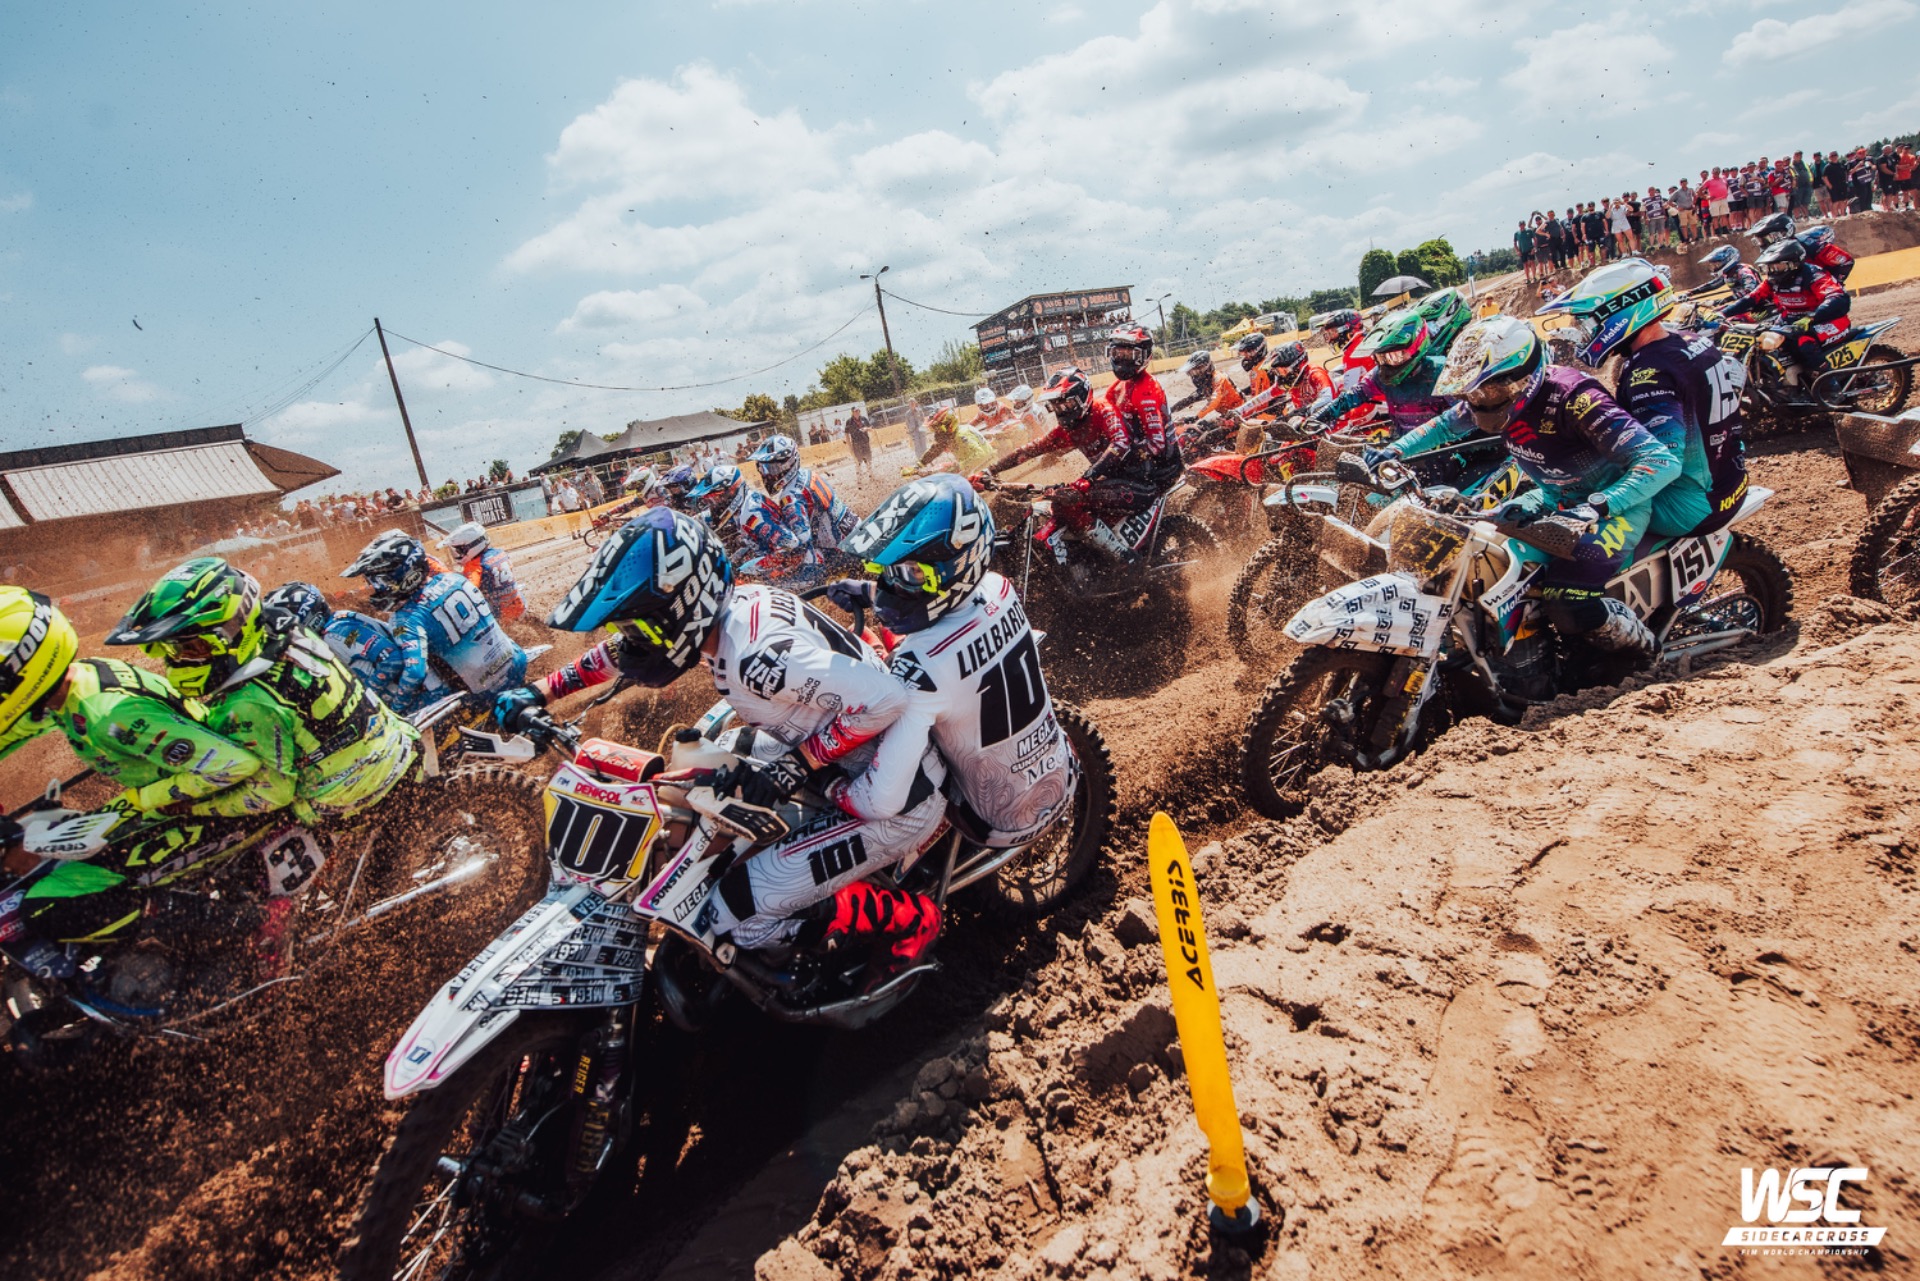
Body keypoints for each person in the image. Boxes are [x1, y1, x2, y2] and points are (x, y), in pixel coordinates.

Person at [492, 509, 947, 985]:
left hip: (895, 791)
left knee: (737, 916)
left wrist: (798, 763)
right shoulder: (728, 617)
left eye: (637, 630)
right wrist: (544, 691)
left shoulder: (753, 656)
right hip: (839, 761)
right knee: (704, 768)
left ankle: (909, 918)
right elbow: (623, 649)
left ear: (683, 608)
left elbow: (888, 699)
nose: (629, 643)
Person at [1382, 314, 1680, 659]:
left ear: (1525, 375)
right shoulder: (1491, 396)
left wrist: (1597, 506)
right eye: (1474, 391)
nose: (1480, 399)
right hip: (1552, 498)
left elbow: (1661, 461)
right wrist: (1393, 452)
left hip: (1614, 509)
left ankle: (1647, 653)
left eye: (1490, 389)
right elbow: (1446, 425)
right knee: (1478, 551)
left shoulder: (1576, 399)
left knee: (1566, 599)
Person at [1, 588, 287, 943]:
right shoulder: (78, 685)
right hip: (185, 803)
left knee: (51, 905)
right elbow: (19, 729)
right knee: (39, 845)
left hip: (220, 810)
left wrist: (140, 801)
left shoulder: (107, 716)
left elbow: (235, 765)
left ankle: (258, 925)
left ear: (21, 667)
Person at [828, 475, 1076, 853]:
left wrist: (826, 783)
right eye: (889, 571)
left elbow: (879, 801)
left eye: (911, 573)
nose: (892, 586)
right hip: (1065, 770)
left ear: (959, 565)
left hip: (990, 824)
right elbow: (946, 610)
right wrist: (868, 590)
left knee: (857, 757)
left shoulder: (917, 666)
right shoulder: (1000, 589)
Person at [108, 558, 419, 824]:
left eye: (190, 648)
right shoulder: (288, 630)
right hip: (396, 745)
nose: (177, 660)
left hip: (355, 799)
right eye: (170, 650)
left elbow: (271, 794)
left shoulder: (247, 704)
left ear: (230, 632)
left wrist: (192, 808)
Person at [1542, 259, 1749, 540]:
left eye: (1590, 321)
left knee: (1572, 489)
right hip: (1731, 480)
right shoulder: (1692, 341)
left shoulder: (1649, 373)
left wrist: (1594, 506)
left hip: (1691, 507)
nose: (1586, 331)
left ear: (1621, 312)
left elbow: (1663, 463)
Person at [972, 367, 1146, 574]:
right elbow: (1031, 449)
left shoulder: (1103, 410)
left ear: (1082, 396)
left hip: (1134, 479)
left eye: (1065, 403)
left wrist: (1087, 479)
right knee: (1051, 506)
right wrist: (989, 471)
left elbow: (1120, 444)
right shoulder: (1069, 429)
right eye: (1055, 404)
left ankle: (1125, 558)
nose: (1060, 409)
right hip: (1104, 482)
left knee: (1066, 504)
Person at [341, 530, 528, 703]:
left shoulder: (405, 619)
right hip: (516, 661)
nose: (373, 588)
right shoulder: (455, 578)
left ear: (395, 578)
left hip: (482, 691)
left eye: (373, 582)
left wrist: (396, 709)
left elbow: (415, 673)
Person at [1722, 237, 1853, 387]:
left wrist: (1811, 317)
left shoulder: (1813, 275)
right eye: (1768, 267)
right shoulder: (1772, 281)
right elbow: (1751, 298)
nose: (1772, 271)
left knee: (1804, 344)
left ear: (1793, 264)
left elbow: (1838, 298)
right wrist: (1723, 314)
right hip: (1790, 321)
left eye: (1777, 266)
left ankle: (1831, 386)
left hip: (1826, 320)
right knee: (1766, 345)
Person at [1309, 309, 1453, 438]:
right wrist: (1317, 417)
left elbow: (1461, 418)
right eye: (1381, 358)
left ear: (1415, 347)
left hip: (1444, 448)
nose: (1388, 364)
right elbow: (1351, 396)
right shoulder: (1380, 375)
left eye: (1394, 356)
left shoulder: (1442, 373)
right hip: (1404, 445)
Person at [688, 462, 816, 575]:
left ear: (730, 492)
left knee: (737, 582)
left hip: (802, 568)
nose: (712, 504)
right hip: (773, 554)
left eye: (714, 498)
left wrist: (748, 570)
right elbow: (706, 517)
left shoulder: (752, 515)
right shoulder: (745, 501)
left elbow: (791, 544)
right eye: (708, 500)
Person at [1102, 323, 1183, 494]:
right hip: (1141, 460)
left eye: (1129, 354)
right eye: (1117, 353)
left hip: (1160, 467)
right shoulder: (1116, 388)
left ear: (1144, 355)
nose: (1121, 360)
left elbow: (1156, 444)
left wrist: (1117, 457)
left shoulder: (1146, 390)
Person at [750, 433, 859, 554]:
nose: (767, 475)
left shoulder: (790, 496)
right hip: (855, 528)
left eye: (772, 469)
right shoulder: (806, 474)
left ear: (787, 464)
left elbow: (802, 543)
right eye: (763, 469)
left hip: (842, 549)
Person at [439, 522, 526, 622]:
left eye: (459, 551)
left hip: (501, 616)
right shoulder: (499, 552)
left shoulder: (475, 566)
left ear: (470, 547)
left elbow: (466, 590)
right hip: (519, 605)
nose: (458, 555)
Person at [911, 408, 995, 476]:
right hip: (975, 467)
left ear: (948, 425)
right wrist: (918, 465)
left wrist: (958, 467)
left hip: (987, 467)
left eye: (937, 429)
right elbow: (935, 450)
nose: (936, 433)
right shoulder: (951, 436)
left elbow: (980, 455)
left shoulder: (961, 435)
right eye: (934, 429)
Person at [844, 408, 874, 477]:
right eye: (855, 411)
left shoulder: (864, 419)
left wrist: (866, 429)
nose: (857, 412)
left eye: (858, 411)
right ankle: (859, 477)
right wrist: (849, 446)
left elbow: (871, 428)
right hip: (856, 444)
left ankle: (871, 474)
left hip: (865, 442)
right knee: (858, 461)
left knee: (868, 459)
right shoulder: (849, 421)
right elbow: (846, 433)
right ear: (852, 413)